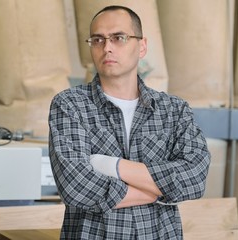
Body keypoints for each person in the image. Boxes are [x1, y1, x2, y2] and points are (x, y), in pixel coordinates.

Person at [48, 5, 211, 239]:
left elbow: (195, 177)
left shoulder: (173, 110)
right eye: (97, 39)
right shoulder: (70, 105)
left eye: (119, 38)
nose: (107, 48)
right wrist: (160, 192)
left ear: (142, 46)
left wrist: (112, 165)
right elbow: (77, 186)